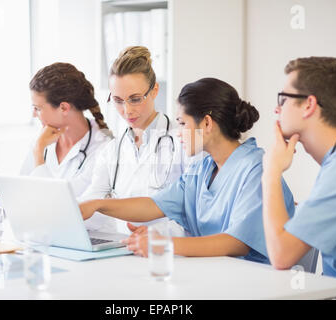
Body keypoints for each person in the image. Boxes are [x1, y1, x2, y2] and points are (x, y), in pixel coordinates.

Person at [80, 78, 295, 262]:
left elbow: (237, 243)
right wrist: (98, 204)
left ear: (207, 123)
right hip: (213, 279)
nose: (179, 133)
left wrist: (165, 244)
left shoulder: (255, 168)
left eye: (183, 123)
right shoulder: (203, 169)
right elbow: (153, 205)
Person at [262, 56, 336, 298]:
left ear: (309, 105)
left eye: (283, 99)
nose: (276, 109)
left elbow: (281, 255)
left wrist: (271, 171)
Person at [81, 46, 189, 235]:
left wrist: (158, 233)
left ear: (154, 90)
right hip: (123, 252)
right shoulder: (111, 150)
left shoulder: (184, 141)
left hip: (168, 253)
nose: (127, 110)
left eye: (135, 99)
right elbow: (90, 202)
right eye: (118, 100)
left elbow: (193, 214)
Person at [20, 62, 114, 231]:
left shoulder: (104, 149)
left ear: (63, 107)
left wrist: (38, 154)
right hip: (49, 237)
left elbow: (61, 210)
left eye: (38, 108)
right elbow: (22, 196)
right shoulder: (42, 141)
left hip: (92, 242)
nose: (34, 114)